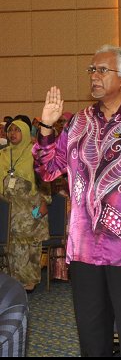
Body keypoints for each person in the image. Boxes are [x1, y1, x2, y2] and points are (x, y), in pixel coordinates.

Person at [33, 45, 121, 357]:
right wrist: (46, 127)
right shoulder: (78, 122)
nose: (94, 76)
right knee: (91, 338)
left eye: (102, 70)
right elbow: (48, 170)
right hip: (84, 248)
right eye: (92, 70)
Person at [0, 119, 49, 291]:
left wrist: (44, 202)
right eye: (10, 130)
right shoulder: (3, 154)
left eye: (17, 130)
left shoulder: (35, 153)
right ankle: (11, 282)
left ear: (26, 132)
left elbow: (45, 178)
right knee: (10, 245)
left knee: (29, 244)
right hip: (8, 209)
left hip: (31, 207)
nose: (12, 133)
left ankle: (28, 281)